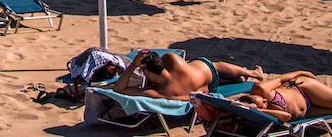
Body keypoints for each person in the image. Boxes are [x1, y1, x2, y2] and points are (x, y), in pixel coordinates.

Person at [112, 50, 264, 100]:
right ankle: (252, 72)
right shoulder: (171, 59)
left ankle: (247, 74)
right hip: (206, 70)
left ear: (149, 72)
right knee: (214, 66)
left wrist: (133, 65)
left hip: (208, 88)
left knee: (218, 72)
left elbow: (118, 89)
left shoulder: (161, 92)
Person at [238, 71, 332, 120]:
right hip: (307, 111)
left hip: (303, 89)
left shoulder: (260, 88)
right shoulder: (263, 112)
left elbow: (281, 80)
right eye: (262, 102)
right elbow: (287, 117)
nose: (264, 99)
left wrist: (300, 72)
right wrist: (259, 111)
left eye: (261, 98)